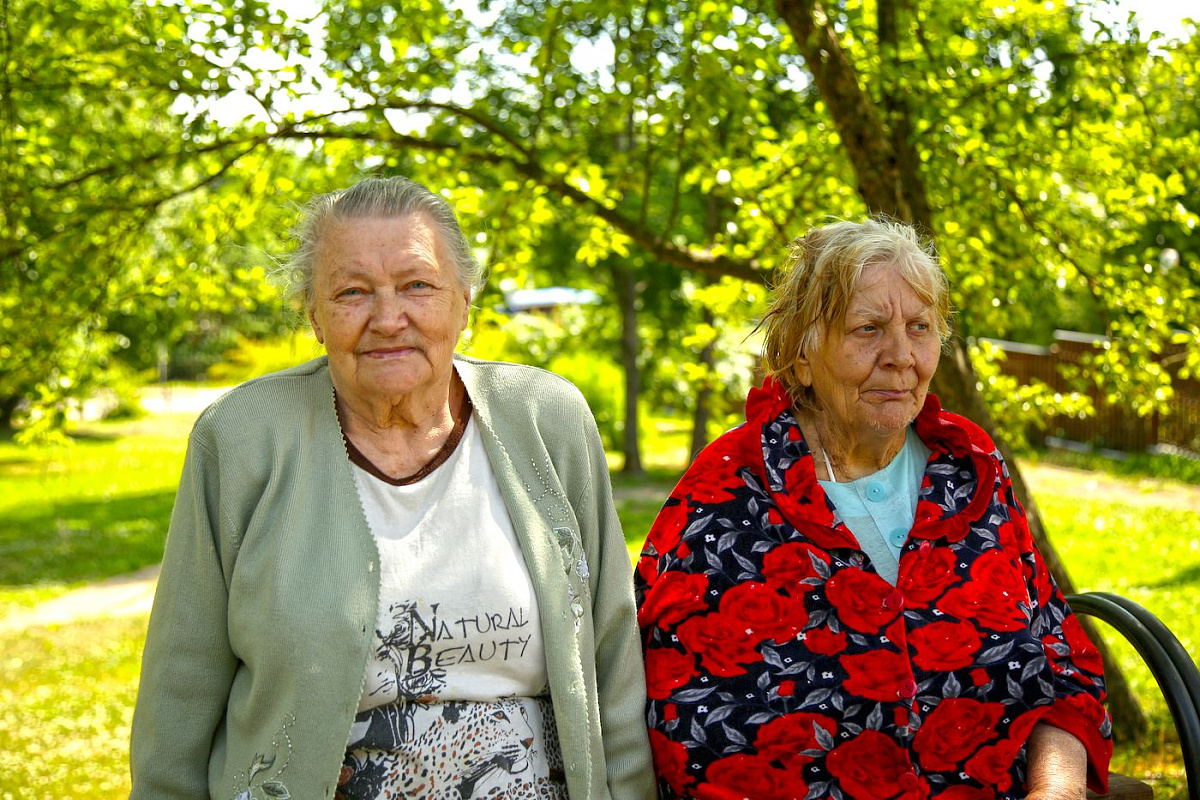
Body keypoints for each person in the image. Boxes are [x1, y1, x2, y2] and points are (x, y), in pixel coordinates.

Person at [130, 176, 656, 799]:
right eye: (352, 292)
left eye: (417, 286)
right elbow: (181, 680)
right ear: (314, 314)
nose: (388, 319)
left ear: (464, 301)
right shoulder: (242, 440)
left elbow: (612, 651)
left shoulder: (547, 419)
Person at [635, 217, 1111, 800]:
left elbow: (1060, 664)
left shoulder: (970, 468)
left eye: (920, 327)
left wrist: (1056, 792)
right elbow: (690, 731)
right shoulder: (728, 491)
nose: (901, 356)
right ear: (801, 356)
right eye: (868, 329)